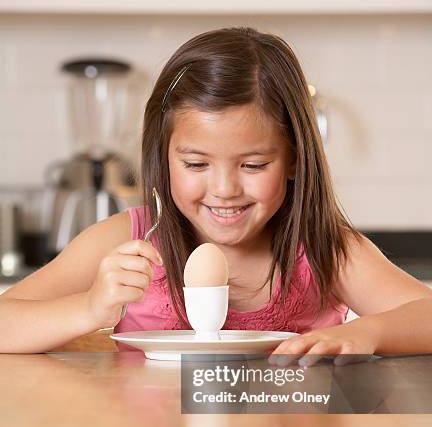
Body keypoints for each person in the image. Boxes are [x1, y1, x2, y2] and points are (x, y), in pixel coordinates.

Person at [1, 26, 431, 362]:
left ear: (296, 159)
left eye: (253, 165)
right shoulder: (127, 240)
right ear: (163, 158)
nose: (224, 190)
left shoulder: (322, 248)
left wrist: (366, 333)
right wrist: (89, 309)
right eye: (195, 164)